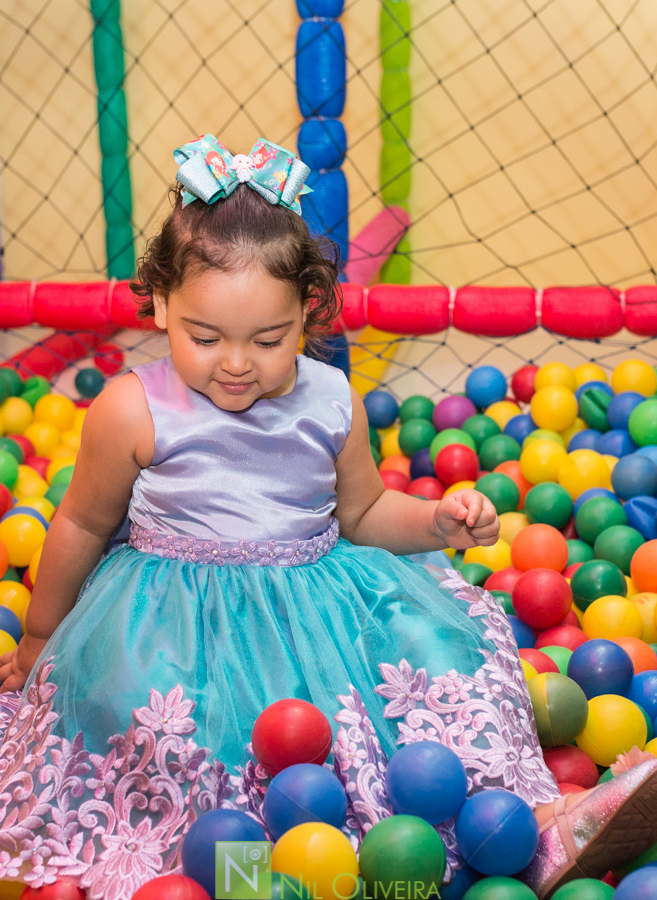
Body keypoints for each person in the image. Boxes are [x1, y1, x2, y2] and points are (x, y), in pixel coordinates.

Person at [0, 135, 654, 900]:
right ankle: (237, 880)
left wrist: (437, 522)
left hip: (318, 617)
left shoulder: (328, 399)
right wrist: (45, 634)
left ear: (307, 313)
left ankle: (539, 823)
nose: (236, 362)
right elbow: (80, 524)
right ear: (160, 305)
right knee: (188, 747)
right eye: (203, 337)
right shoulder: (131, 406)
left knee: (427, 693)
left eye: (268, 339)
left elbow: (365, 510)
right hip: (173, 628)